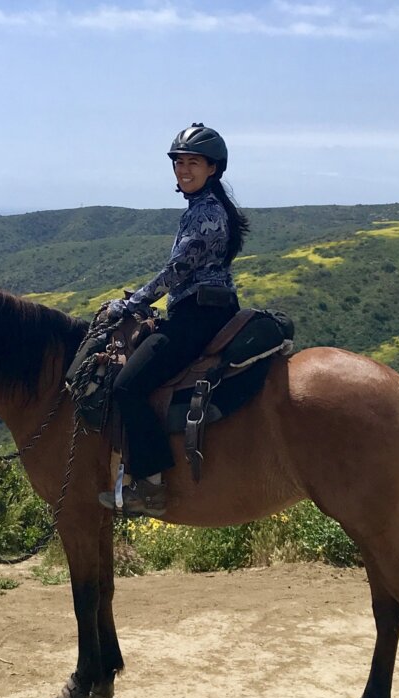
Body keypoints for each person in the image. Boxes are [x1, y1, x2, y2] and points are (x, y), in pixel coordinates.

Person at [97, 123, 250, 516]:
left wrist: (129, 305)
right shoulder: (204, 209)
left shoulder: (207, 215)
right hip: (200, 310)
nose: (184, 170)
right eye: (179, 162)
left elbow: (177, 271)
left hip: (198, 317)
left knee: (128, 387)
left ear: (213, 168)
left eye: (193, 163)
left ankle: (150, 487)